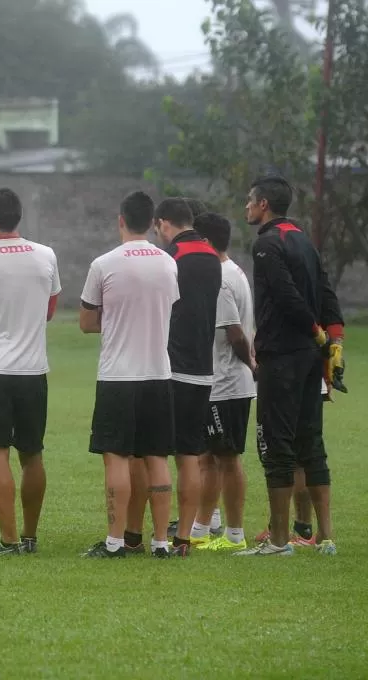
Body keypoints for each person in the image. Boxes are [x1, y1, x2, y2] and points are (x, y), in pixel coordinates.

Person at [236, 175, 344, 557]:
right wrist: (335, 340)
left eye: (250, 200)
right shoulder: (303, 239)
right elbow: (326, 290)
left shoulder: (267, 243)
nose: (246, 206)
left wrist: (317, 333)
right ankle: (326, 537)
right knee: (310, 442)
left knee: (275, 444)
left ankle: (280, 542)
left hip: (281, 355)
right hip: (310, 359)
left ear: (264, 204)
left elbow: (285, 295)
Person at [0, 188, 61, 555]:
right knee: (32, 453)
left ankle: (9, 539)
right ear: (20, 217)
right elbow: (50, 309)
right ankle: (31, 536)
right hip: (33, 369)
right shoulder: (46, 256)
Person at [79, 191, 179, 559]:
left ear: (120, 220)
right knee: (157, 458)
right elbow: (169, 308)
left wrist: (117, 317)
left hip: (118, 375)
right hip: (158, 372)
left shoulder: (104, 264)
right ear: (152, 222)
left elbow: (87, 322)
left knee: (116, 458)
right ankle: (161, 542)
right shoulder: (168, 264)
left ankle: (115, 541)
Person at [128, 198, 220, 558]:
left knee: (151, 453)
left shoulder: (171, 258)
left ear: (164, 223)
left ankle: (142, 533)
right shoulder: (214, 257)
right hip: (203, 368)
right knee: (190, 455)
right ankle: (184, 537)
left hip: (168, 366)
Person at [189, 212, 255, 552]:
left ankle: (234, 535)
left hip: (227, 383)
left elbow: (235, 334)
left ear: (206, 242)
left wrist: (253, 365)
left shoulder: (221, 279)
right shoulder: (233, 271)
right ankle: (200, 529)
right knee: (208, 458)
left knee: (226, 458)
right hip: (219, 381)